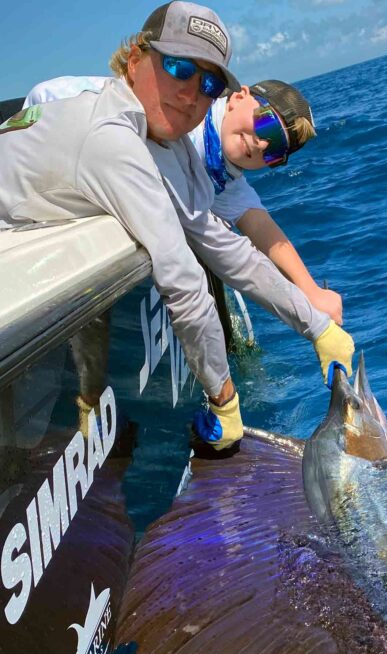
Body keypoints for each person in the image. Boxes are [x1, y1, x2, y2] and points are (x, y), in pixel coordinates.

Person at [0, 2, 353, 454]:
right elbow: (185, 282)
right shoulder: (115, 140)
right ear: (135, 61)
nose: (191, 93)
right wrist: (224, 401)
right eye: (178, 67)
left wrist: (318, 328)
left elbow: (226, 245)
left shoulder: (169, 147)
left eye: (207, 83)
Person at [25, 74, 344, 325]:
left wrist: (312, 292)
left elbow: (261, 226)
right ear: (239, 96)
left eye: (275, 151)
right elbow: (49, 94)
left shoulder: (224, 175)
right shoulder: (188, 118)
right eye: (267, 124)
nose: (261, 143)